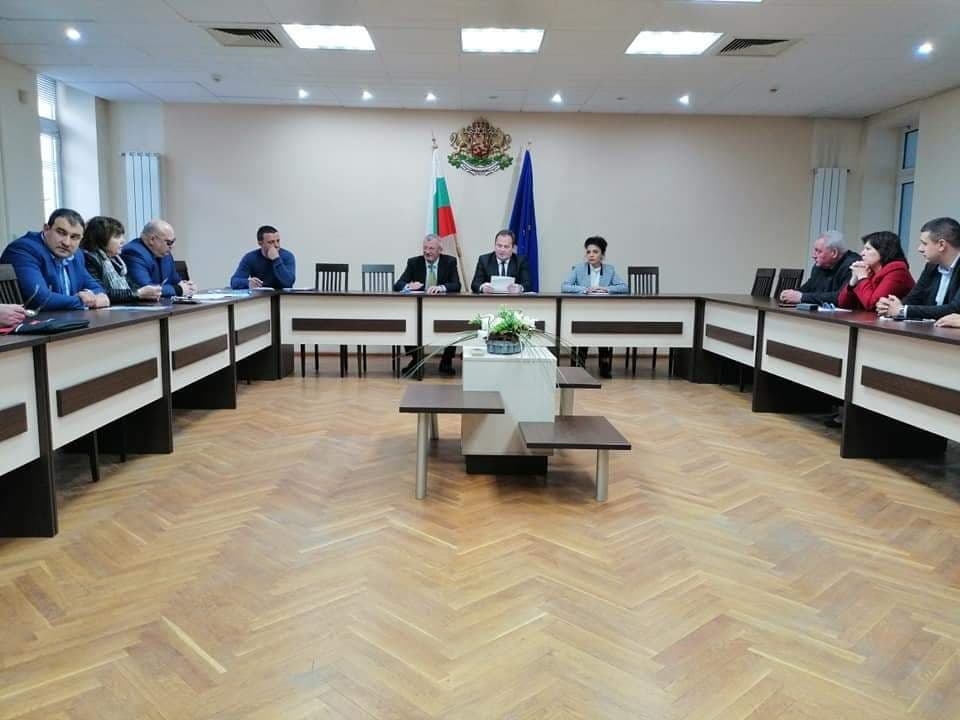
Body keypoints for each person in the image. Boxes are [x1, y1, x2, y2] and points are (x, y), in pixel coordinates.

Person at [0, 208, 109, 310]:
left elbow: (97, 288)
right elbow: (40, 299)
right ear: (46, 229)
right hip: (33, 321)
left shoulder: (76, 254)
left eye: (74, 237)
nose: (67, 243)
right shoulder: (24, 249)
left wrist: (92, 295)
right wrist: (85, 301)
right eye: (61, 233)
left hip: (65, 318)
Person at [561, 236, 628, 378]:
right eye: (588, 252)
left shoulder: (609, 270)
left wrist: (606, 289)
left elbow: (624, 287)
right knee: (585, 326)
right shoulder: (579, 268)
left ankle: (604, 364)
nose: (591, 255)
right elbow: (565, 286)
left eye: (595, 252)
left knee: (602, 327)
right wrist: (585, 289)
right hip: (583, 311)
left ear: (602, 255)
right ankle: (581, 362)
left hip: (603, 311)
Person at [394, 234, 461, 375]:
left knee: (453, 323)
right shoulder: (414, 262)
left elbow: (456, 285)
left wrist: (441, 288)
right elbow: (398, 284)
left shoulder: (450, 262)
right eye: (425, 248)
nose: (427, 252)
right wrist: (408, 286)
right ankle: (416, 359)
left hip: (443, 308)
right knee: (408, 322)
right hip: (420, 309)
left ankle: (446, 361)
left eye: (431, 248)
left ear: (440, 250)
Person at [876, 217, 960, 320]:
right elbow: (914, 298)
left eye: (924, 244)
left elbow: (955, 309)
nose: (920, 249)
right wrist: (890, 307)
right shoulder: (931, 266)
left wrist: (903, 310)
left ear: (941, 245)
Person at [81, 216, 162, 305]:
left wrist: (149, 293)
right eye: (117, 237)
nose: (123, 241)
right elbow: (101, 293)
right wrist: (138, 293)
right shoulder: (89, 258)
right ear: (101, 238)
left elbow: (132, 286)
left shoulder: (116, 261)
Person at [836, 231, 914, 311]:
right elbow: (843, 304)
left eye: (868, 249)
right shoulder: (870, 271)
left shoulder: (897, 272)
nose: (862, 253)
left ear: (883, 251)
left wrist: (862, 278)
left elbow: (873, 305)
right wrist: (853, 281)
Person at [121, 218, 197, 298]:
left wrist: (188, 286)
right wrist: (178, 289)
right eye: (169, 242)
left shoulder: (165, 254)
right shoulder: (133, 253)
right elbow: (146, 289)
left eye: (173, 241)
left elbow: (176, 280)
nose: (172, 246)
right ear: (152, 239)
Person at [779, 231, 860, 305]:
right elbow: (808, 288)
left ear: (834, 253)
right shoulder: (820, 266)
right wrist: (791, 294)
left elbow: (840, 297)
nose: (813, 256)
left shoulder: (853, 265)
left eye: (819, 251)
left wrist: (802, 297)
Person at [229, 225, 296, 290]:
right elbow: (234, 281)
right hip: (260, 295)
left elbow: (289, 282)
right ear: (260, 243)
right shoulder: (250, 257)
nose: (276, 245)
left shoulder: (287, 256)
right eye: (271, 242)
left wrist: (276, 259)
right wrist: (248, 282)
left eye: (278, 241)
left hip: (283, 295)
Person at [470, 229, 531, 294]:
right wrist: (482, 288)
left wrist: (520, 288)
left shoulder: (520, 261)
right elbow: (475, 284)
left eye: (506, 247)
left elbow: (527, 284)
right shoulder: (484, 260)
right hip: (490, 299)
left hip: (513, 299)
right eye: (499, 246)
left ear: (513, 248)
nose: (502, 250)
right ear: (495, 246)